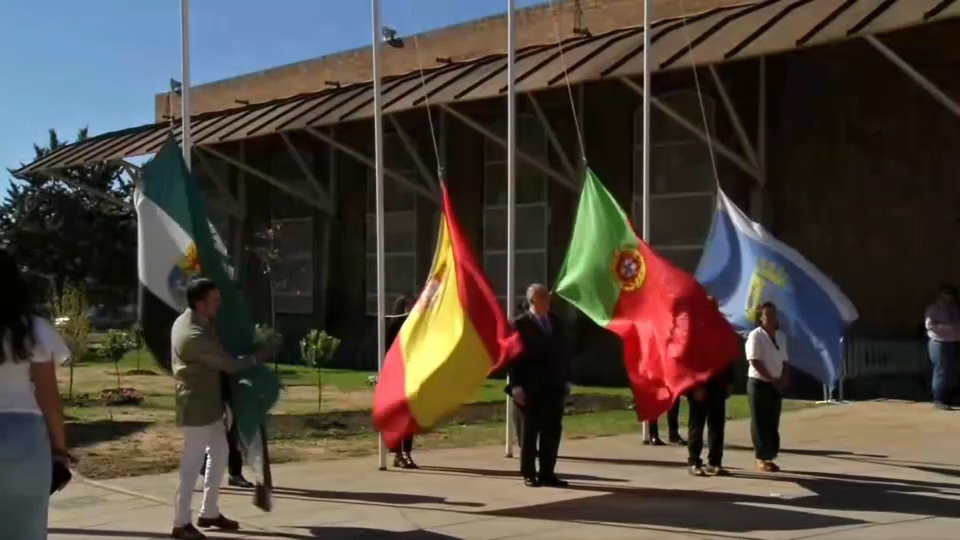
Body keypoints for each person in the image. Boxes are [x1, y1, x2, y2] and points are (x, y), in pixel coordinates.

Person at [171, 278, 270, 540]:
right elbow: (228, 365)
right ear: (200, 304)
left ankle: (210, 512)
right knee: (191, 464)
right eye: (214, 300)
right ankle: (180, 523)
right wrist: (256, 358)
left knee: (220, 451)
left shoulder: (197, 322)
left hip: (210, 403)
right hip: (196, 405)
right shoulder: (193, 335)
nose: (219, 304)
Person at [0, 250, 72, 539]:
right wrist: (59, 449)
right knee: (26, 525)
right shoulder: (34, 328)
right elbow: (49, 399)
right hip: (24, 435)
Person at [507, 284, 571, 488]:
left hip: (553, 387)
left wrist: (567, 379)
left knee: (552, 432)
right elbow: (513, 358)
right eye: (543, 298)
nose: (548, 302)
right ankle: (529, 472)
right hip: (530, 388)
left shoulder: (556, 322)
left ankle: (547, 473)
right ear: (533, 300)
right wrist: (516, 386)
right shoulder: (520, 324)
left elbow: (564, 353)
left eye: (548, 297)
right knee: (529, 433)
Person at [745, 301, 788, 473]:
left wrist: (784, 379)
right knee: (760, 420)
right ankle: (761, 457)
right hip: (759, 383)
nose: (771, 318)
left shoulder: (781, 336)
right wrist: (770, 378)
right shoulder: (756, 336)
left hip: (776, 384)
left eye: (773, 314)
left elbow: (785, 361)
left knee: (772, 420)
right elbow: (754, 360)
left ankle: (770, 454)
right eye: (767, 315)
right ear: (760, 318)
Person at [200, 374, 254, 488]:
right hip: (215, 401)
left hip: (230, 400)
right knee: (215, 442)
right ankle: (203, 472)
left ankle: (234, 475)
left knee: (232, 440)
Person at [386, 295, 417, 469]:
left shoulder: (417, 327)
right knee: (398, 417)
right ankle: (397, 453)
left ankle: (407, 452)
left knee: (410, 416)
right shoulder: (395, 327)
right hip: (397, 375)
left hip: (412, 375)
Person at [925, 284, 960, 410]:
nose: (948, 298)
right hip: (939, 342)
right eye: (945, 295)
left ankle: (951, 397)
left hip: (955, 342)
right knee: (941, 371)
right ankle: (939, 399)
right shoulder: (933, 309)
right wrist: (949, 326)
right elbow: (930, 326)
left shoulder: (956, 309)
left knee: (952, 371)